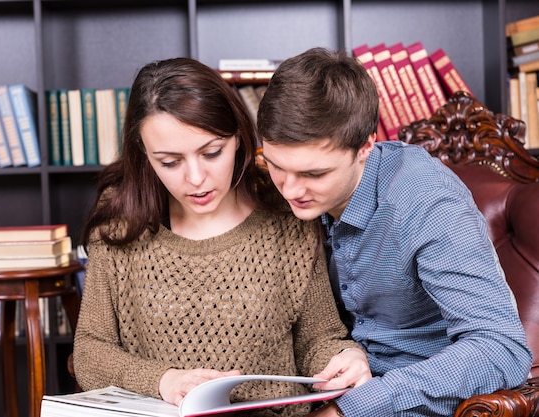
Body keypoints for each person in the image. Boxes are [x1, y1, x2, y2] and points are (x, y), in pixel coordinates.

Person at [72, 56, 371, 416]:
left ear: (239, 138)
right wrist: (164, 380)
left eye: (212, 152)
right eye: (170, 161)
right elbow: (89, 351)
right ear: (144, 154)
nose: (196, 177)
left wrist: (345, 358)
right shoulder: (121, 219)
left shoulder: (285, 212)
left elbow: (318, 338)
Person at [256, 47, 532, 417]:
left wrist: (352, 409)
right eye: (276, 166)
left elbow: (501, 347)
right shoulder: (283, 194)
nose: (290, 190)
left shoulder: (426, 201)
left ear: (365, 146)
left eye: (314, 174)